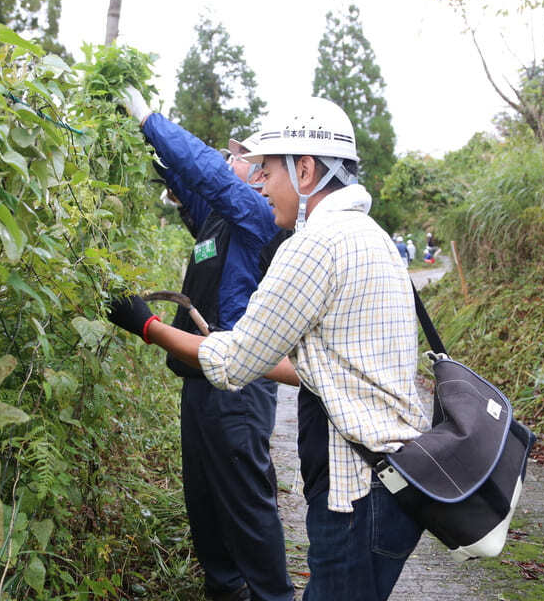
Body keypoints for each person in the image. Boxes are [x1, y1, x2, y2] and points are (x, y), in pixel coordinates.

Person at [107, 97, 428, 601]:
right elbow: (325, 365)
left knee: (248, 502)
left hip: (356, 488)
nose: (260, 182)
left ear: (305, 169)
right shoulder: (370, 237)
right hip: (388, 483)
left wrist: (146, 326)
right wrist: (144, 146)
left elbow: (235, 362)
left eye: (267, 170)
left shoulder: (313, 242)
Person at [119, 86, 294, 601]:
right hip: (200, 377)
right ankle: (226, 589)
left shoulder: (257, 216)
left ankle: (271, 595)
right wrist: (144, 141)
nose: (231, 160)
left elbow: (209, 174)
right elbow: (189, 177)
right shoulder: (217, 217)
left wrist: (152, 119)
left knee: (243, 498)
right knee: (204, 496)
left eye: (243, 157)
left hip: (239, 387)